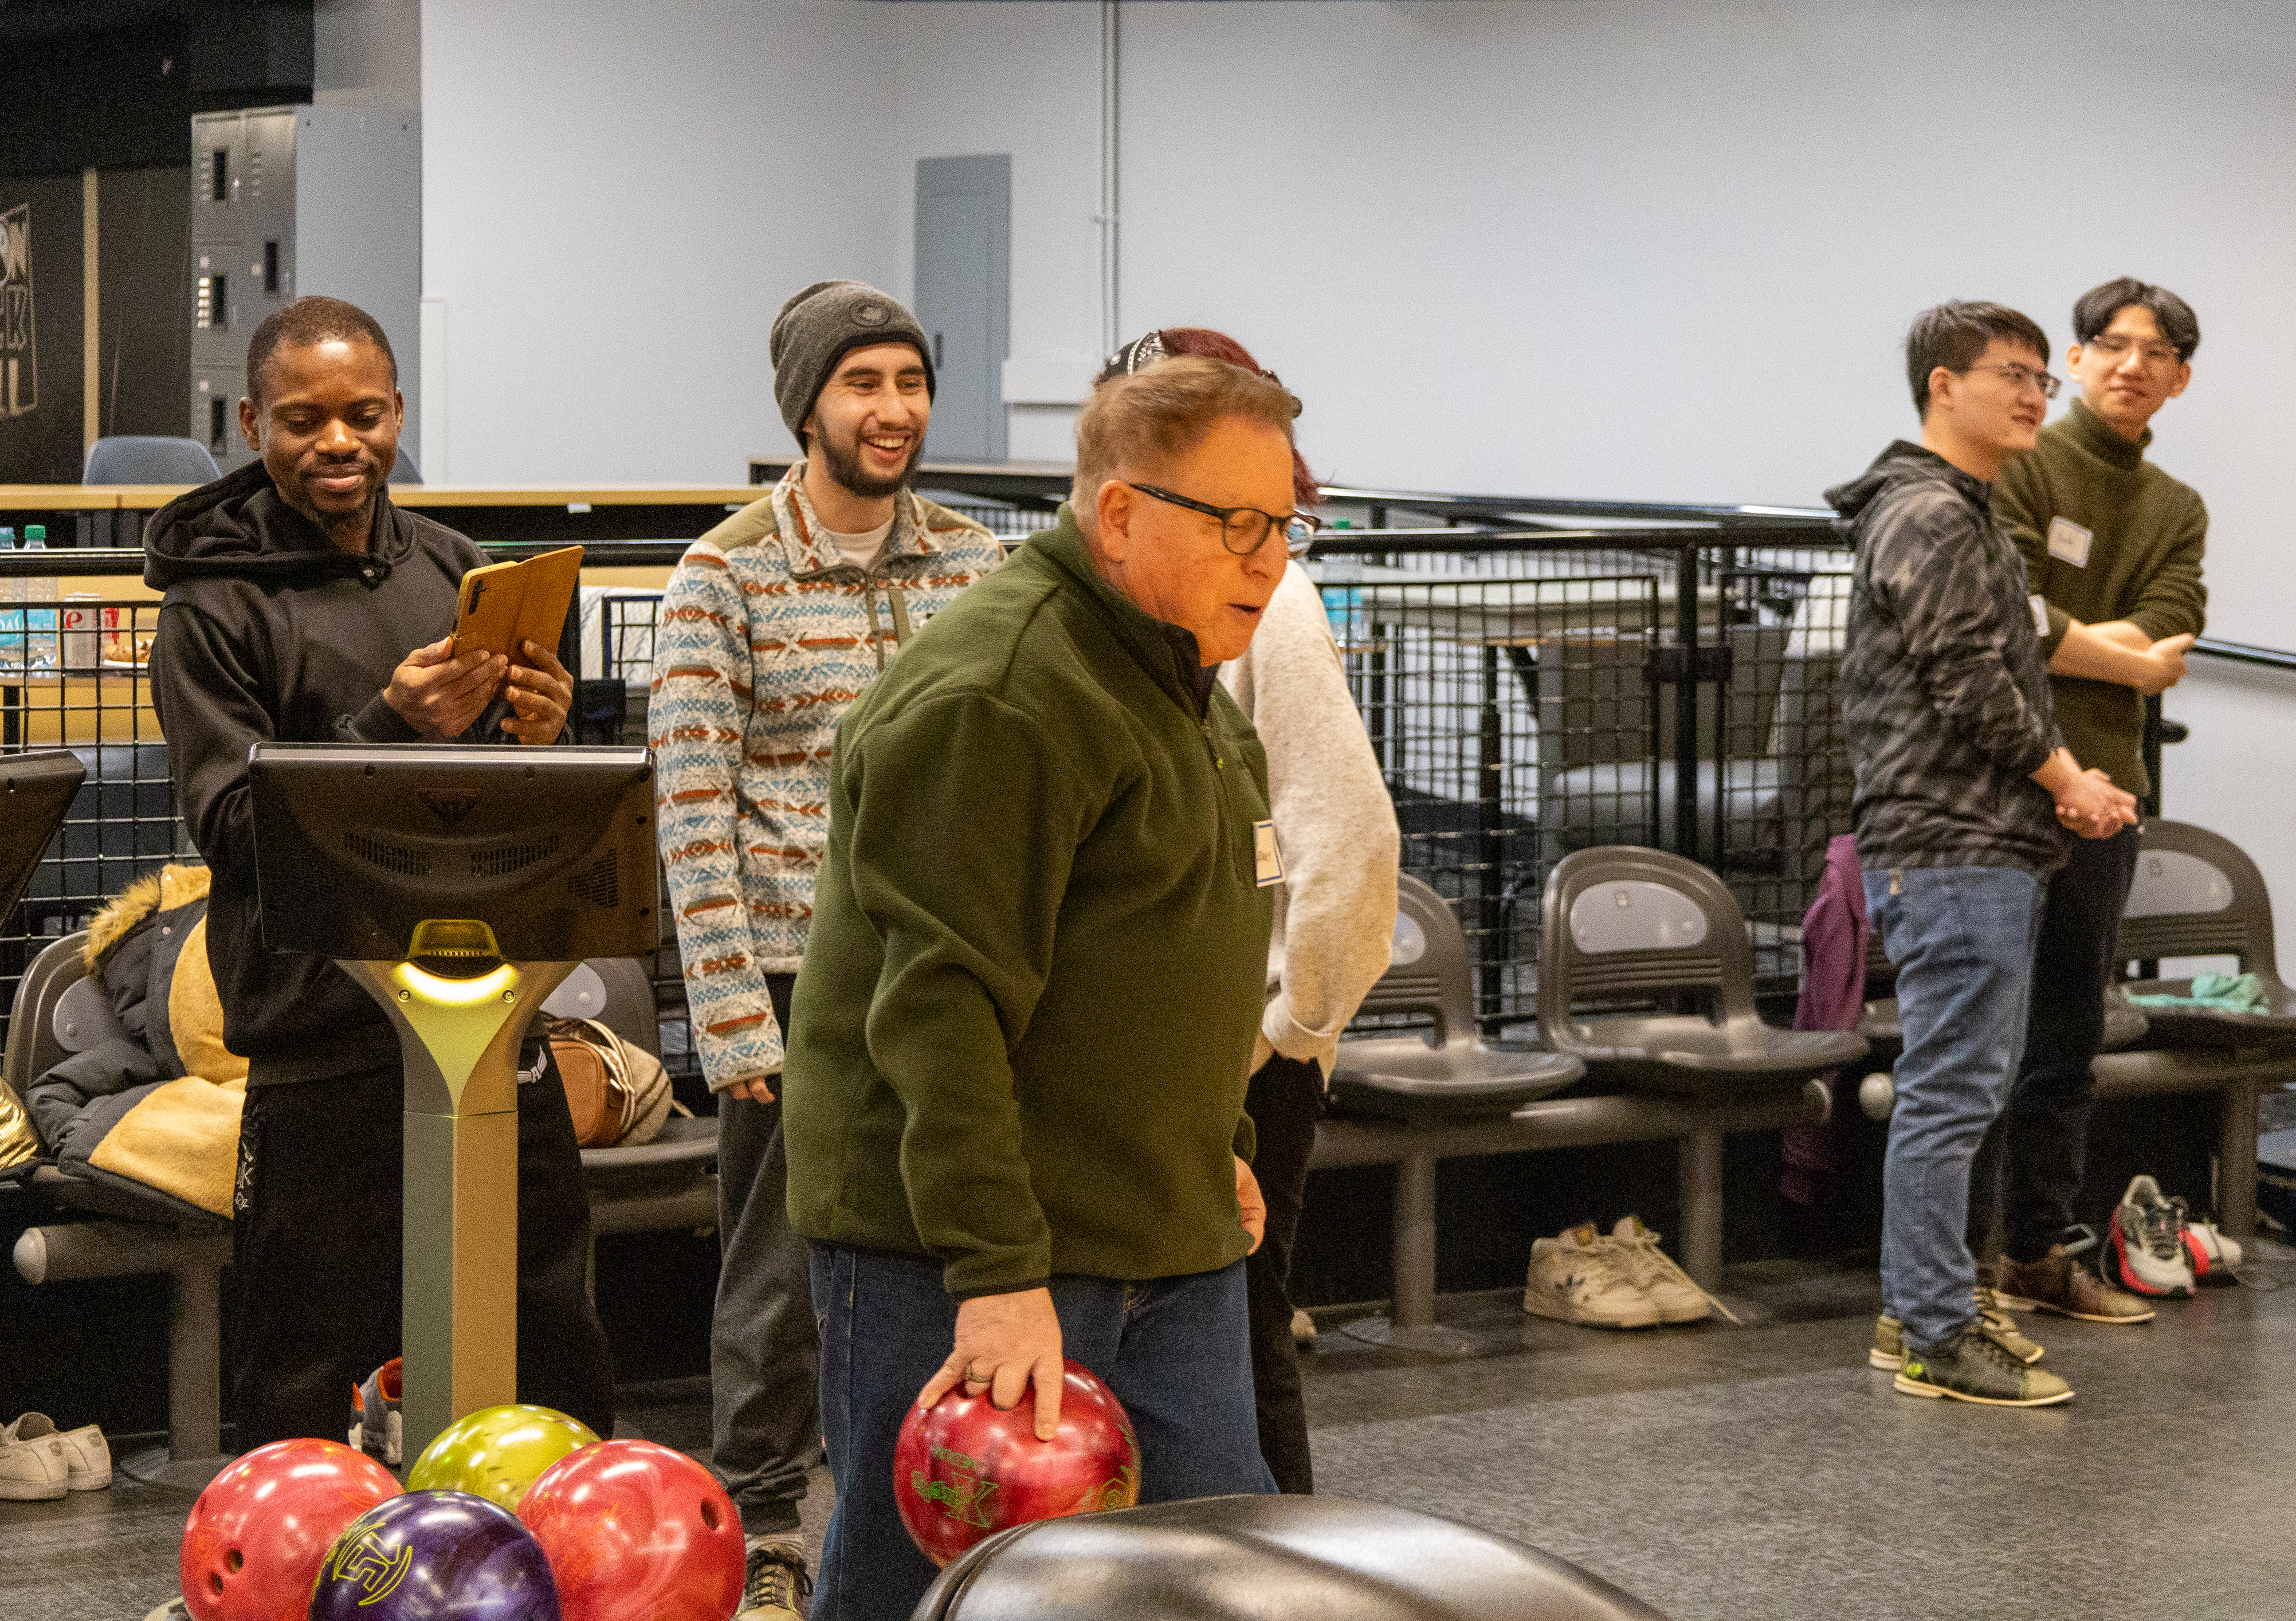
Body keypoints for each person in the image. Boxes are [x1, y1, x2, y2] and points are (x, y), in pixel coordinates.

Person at [784, 355, 1305, 1620]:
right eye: (1236, 525)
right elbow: (936, 1009)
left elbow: (1186, 939)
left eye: (1287, 524)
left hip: (1164, 1230)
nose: (1269, 561)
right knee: (933, 1593)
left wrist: (1216, 1145)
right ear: (1118, 515)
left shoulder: (1179, 672)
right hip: (958, 1248)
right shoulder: (1001, 694)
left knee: (1207, 1580)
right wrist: (996, 1273)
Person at [146, 294, 613, 1453]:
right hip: (321, 1030)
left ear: (399, 412)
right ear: (252, 422)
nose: (339, 442)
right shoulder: (211, 605)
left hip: (488, 1009)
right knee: (304, 1366)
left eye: (363, 414)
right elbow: (236, 829)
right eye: (304, 420)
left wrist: (539, 738)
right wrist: (388, 723)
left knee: (549, 1334)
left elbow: (515, 816)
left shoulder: (461, 574)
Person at [650, 279, 1002, 1618]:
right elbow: (691, 809)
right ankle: (758, 1525)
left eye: (910, 383)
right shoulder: (724, 574)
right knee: (781, 1273)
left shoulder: (975, 561)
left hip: (950, 970)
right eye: (864, 385)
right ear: (808, 407)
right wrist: (733, 1015)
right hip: (800, 980)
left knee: (942, 1249)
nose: (894, 411)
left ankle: (917, 1509)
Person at [1096, 327, 1397, 1494]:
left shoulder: (1271, 601)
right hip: (1178, 1040)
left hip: (1244, 1051)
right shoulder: (1151, 584)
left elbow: (1355, 843)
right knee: (1194, 1345)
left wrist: (1286, 1035)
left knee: (1241, 1335)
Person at [1827, 301, 2136, 1410]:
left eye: (2043, 379)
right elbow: (1973, 684)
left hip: (1980, 844)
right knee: (1951, 1096)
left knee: (1959, 1090)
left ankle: (1921, 1315)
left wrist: (2060, 789)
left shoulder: (1960, 513)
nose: (2033, 394)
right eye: (2011, 373)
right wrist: (2069, 779)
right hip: (1953, 846)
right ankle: (1932, 1332)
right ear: (1941, 386)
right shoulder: (1929, 516)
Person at [1972, 278, 2206, 1319]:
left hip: (2111, 798)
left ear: (2180, 380)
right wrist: (2119, 658)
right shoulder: (2020, 463)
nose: (2132, 365)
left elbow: (2171, 621)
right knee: (1976, 1041)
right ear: (2075, 359)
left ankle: (2037, 1253)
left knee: (2067, 1040)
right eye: (2113, 344)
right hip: (2006, 784)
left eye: (2156, 354)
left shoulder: (2177, 507)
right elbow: (2010, 612)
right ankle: (1954, 1274)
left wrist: (2081, 642)